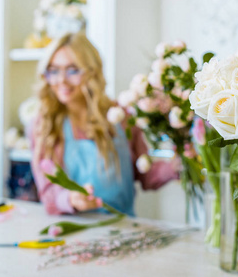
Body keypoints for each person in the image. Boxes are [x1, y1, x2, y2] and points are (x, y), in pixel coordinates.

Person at [29, 32, 179, 216]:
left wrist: (176, 166)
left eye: (72, 70)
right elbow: (48, 194)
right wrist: (70, 199)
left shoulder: (121, 116)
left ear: (92, 71)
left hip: (122, 229)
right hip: (72, 231)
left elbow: (145, 174)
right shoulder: (43, 125)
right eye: (53, 70)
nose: (61, 80)